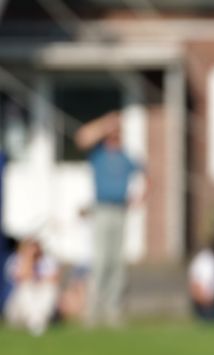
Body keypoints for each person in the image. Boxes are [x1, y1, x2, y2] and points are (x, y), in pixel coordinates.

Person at [75, 111, 144, 327]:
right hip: (102, 209)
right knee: (100, 261)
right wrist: (104, 124)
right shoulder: (98, 154)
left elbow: (147, 175)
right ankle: (93, 312)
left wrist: (140, 198)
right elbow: (81, 138)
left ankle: (113, 311)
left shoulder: (125, 157)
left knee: (117, 263)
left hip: (120, 211)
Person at [3, 237, 60, 336]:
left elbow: (54, 279)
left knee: (49, 289)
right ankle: (36, 322)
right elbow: (22, 278)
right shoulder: (15, 260)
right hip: (17, 307)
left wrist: (39, 279)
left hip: (40, 302)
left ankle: (36, 321)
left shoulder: (47, 260)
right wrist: (29, 259)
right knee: (26, 287)